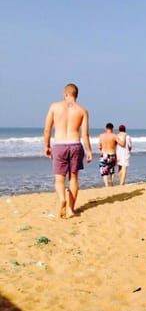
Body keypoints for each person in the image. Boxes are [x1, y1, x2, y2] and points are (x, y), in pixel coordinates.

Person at [43, 83, 93, 218]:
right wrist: (88, 150)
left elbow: (47, 129)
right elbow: (85, 134)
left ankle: (62, 199)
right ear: (76, 95)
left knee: (59, 179)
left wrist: (46, 146)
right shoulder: (82, 110)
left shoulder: (54, 107)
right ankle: (71, 208)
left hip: (59, 145)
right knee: (73, 178)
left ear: (64, 94)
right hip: (75, 144)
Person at [98, 123, 118, 187]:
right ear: (112, 128)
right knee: (111, 169)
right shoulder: (114, 136)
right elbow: (120, 143)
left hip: (104, 154)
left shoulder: (101, 135)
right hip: (112, 154)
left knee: (104, 171)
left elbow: (99, 146)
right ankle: (111, 183)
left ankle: (106, 185)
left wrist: (101, 149)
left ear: (106, 128)